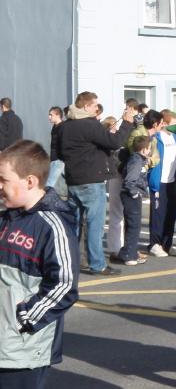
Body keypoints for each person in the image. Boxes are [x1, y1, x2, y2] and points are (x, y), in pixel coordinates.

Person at [0, 140, 79, 389]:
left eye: (4, 180)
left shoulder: (52, 226)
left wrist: (25, 318)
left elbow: (64, 285)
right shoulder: (6, 217)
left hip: (21, 351)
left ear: (30, 181)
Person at [58, 91, 134, 275]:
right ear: (86, 106)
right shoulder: (90, 125)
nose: (96, 109)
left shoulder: (65, 126)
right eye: (94, 106)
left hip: (73, 178)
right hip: (91, 180)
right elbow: (115, 141)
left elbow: (58, 151)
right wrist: (127, 123)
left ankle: (73, 260)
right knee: (94, 224)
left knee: (75, 224)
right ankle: (97, 264)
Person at [147, 110, 176, 258]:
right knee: (158, 214)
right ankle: (154, 244)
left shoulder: (175, 139)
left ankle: (167, 244)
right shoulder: (156, 138)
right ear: (165, 124)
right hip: (158, 181)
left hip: (171, 181)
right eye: (174, 125)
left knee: (171, 213)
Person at [109, 136, 150, 266]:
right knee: (134, 225)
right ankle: (129, 255)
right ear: (144, 149)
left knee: (131, 224)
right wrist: (134, 193)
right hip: (131, 195)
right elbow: (130, 180)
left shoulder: (137, 159)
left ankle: (127, 251)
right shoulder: (136, 161)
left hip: (130, 194)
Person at [45, 106, 65, 189]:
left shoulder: (63, 127)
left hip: (59, 159)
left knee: (49, 184)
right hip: (54, 159)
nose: (49, 117)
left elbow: (64, 143)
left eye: (51, 115)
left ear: (57, 115)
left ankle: (44, 201)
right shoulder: (55, 127)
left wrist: (61, 158)